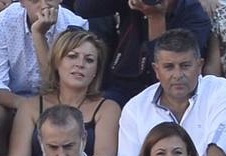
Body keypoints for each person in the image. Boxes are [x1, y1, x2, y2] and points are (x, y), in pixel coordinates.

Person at [117, 29, 226, 156]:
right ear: (156, 69)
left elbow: (219, 151)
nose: (177, 75)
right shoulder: (135, 108)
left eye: (185, 65)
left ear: (200, 66)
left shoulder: (220, 90)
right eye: (169, 67)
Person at [5, 28, 120, 156]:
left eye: (89, 60)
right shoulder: (30, 107)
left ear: (96, 71)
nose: (80, 64)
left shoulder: (107, 108)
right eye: (72, 56)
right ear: (57, 62)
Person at [74, 0, 212, 105]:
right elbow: (83, 7)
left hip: (169, 93)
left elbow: (166, 72)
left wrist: (155, 17)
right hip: (122, 84)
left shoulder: (195, 16)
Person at [0, 0, 88, 114]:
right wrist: (23, 104)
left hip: (55, 103)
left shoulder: (75, 25)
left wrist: (38, 34)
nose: (44, 5)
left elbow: (56, 86)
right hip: (13, 99)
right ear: (22, 2)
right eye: (35, 0)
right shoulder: (5, 20)